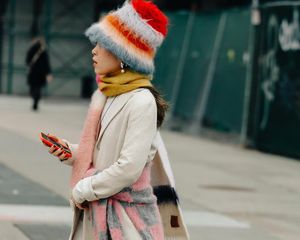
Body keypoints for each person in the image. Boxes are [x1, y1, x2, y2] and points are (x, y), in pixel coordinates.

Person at [42, 0, 189, 239]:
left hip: (126, 221)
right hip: (98, 214)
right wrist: (72, 153)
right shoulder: (108, 96)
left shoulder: (141, 101)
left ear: (123, 54)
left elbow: (129, 167)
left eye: (102, 44)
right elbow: (106, 156)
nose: (94, 50)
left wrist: (84, 189)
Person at [25, 37, 52, 111]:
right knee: (38, 88)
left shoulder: (31, 49)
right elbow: (47, 63)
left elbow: (27, 61)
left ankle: (34, 97)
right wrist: (48, 73)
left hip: (33, 72)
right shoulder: (44, 51)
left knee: (33, 87)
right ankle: (36, 101)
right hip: (41, 73)